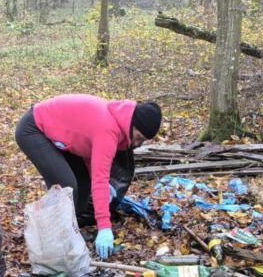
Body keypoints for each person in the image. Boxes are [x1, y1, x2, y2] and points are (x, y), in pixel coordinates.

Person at [15, 95, 162, 260]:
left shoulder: (118, 125)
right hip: (33, 129)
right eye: (139, 137)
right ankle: (51, 241)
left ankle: (68, 232)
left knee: (83, 182)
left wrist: (103, 184)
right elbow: (99, 178)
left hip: (60, 137)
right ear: (132, 124)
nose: (137, 144)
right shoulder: (109, 129)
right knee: (66, 185)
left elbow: (87, 152)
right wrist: (104, 227)